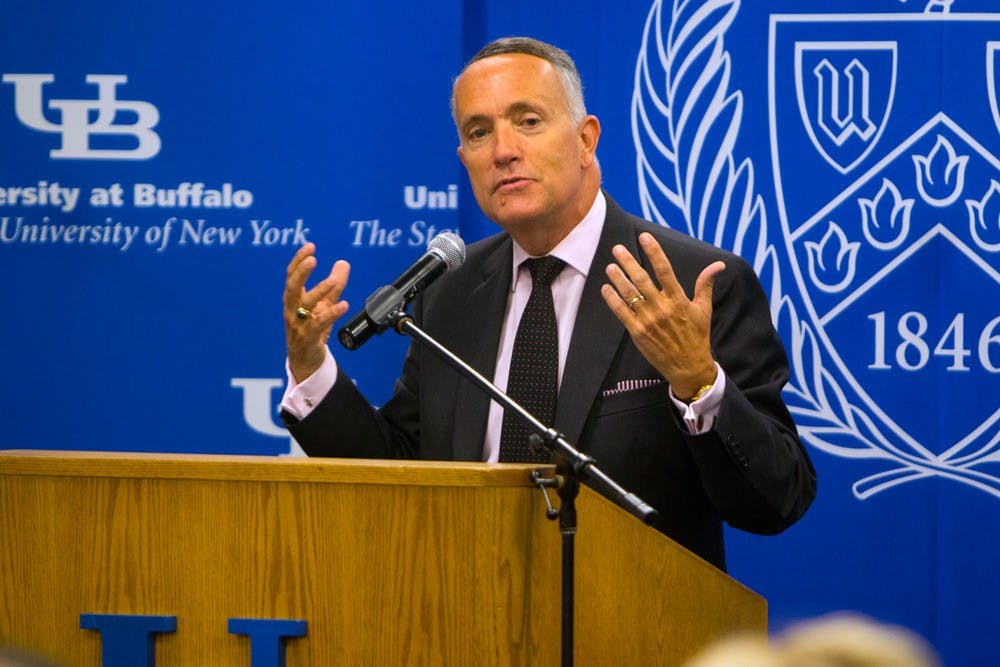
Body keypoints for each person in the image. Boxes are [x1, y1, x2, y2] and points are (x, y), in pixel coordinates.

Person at [279, 36, 815, 570]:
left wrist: (699, 381)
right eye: (479, 132)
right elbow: (400, 470)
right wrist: (310, 368)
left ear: (586, 140)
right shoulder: (451, 294)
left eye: (528, 121)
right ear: (464, 160)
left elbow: (776, 500)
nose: (502, 150)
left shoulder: (691, 284)